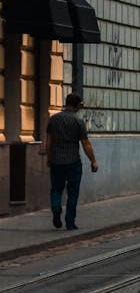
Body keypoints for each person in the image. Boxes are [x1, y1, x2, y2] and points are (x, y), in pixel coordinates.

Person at [45, 93, 98, 230]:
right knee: (73, 192)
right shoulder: (78, 122)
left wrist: (49, 157)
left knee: (56, 188)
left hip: (57, 161)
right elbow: (85, 143)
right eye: (80, 104)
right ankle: (70, 221)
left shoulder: (54, 119)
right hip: (73, 161)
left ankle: (56, 208)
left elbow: (49, 141)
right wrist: (93, 161)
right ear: (76, 105)